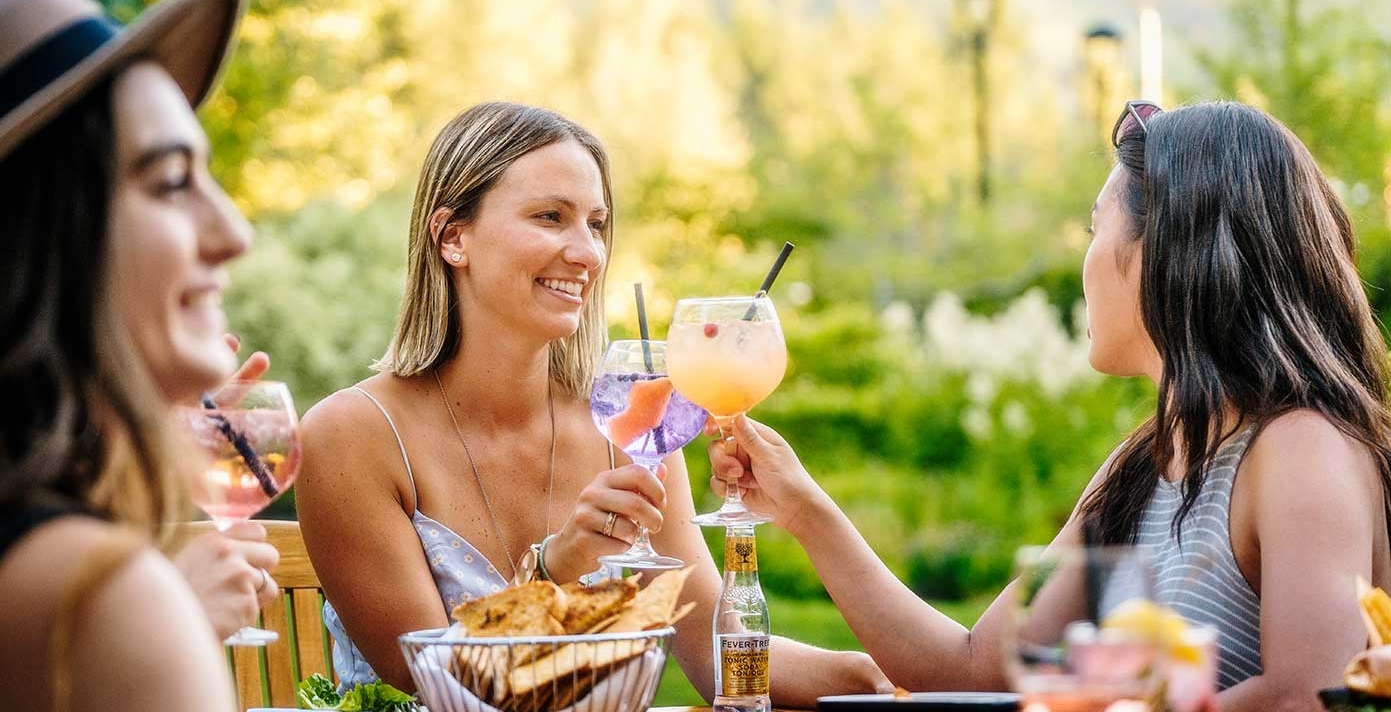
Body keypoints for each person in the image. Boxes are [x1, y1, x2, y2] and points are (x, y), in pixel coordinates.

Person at [706, 100, 1391, 710]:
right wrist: (802, 509)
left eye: (1098, 226)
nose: (1084, 260)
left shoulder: (1301, 447)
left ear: (1164, 249)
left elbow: (1314, 693)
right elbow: (973, 669)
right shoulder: (1140, 466)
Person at [296, 100, 890, 704]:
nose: (588, 253)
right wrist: (557, 569)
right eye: (551, 217)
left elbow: (719, 658)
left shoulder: (630, 427)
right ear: (453, 238)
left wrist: (871, 678)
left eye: (597, 224)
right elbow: (436, 687)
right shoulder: (353, 436)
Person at [0, 0, 280, 709]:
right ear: (43, 231)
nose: (234, 232)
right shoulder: (94, 601)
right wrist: (162, 619)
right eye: (171, 181)